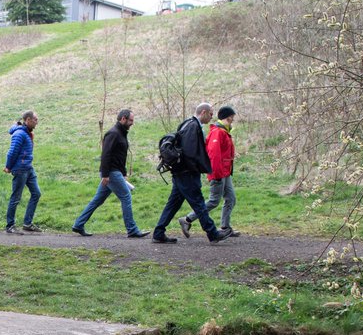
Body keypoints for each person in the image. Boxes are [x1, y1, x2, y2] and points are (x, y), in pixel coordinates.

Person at [151, 103, 232, 244]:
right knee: (199, 203)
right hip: (186, 173)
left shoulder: (187, 124)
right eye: (211, 114)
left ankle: (158, 233)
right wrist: (196, 168)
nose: (212, 117)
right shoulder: (193, 126)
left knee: (173, 204)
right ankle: (213, 233)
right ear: (204, 112)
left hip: (180, 172)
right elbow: (189, 152)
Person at [71, 109, 150, 238]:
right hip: (111, 173)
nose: (132, 123)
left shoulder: (121, 133)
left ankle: (78, 224)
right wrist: (106, 175)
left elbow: (119, 156)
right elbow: (106, 155)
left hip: (114, 172)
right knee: (126, 196)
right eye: (131, 120)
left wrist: (123, 173)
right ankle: (132, 229)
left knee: (98, 200)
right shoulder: (113, 133)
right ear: (123, 119)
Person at [180, 105, 238, 238]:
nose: (233, 119)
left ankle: (225, 227)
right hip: (218, 173)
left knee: (231, 199)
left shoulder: (224, 131)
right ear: (228, 117)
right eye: (232, 117)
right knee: (213, 201)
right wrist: (216, 174)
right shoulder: (218, 132)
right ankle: (187, 219)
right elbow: (213, 155)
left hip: (225, 172)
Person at [3, 110, 42, 234]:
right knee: (15, 198)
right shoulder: (20, 134)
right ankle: (10, 225)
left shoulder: (27, 133)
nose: (37, 122)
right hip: (20, 169)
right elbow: (12, 152)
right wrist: (8, 167)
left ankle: (27, 223)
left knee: (36, 193)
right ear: (28, 120)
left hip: (28, 168)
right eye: (35, 119)